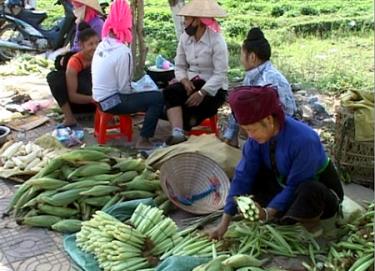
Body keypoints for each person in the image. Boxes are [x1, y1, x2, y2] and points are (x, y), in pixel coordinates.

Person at [209, 86, 343, 240]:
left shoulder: (304, 140)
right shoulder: (255, 141)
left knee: (309, 189)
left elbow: (294, 185)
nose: (249, 136)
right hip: (283, 185)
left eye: (252, 129)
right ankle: (282, 216)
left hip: (318, 193)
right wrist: (224, 223)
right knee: (250, 179)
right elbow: (243, 176)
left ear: (269, 120)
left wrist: (266, 213)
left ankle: (315, 224)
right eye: (245, 130)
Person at [91, 0, 164, 149]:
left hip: (98, 100)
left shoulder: (102, 44)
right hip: (111, 102)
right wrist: (141, 90)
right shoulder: (123, 51)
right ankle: (144, 140)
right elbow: (124, 88)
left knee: (146, 94)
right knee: (157, 97)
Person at [163, 0, 229, 145]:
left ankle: (183, 131)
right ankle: (178, 134)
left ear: (197, 21)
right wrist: (184, 80)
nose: (184, 22)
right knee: (170, 92)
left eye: (186, 19)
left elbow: (221, 73)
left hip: (213, 89)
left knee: (188, 110)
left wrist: (202, 93)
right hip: (192, 83)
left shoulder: (217, 41)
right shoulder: (185, 38)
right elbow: (179, 66)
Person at [223, 27, 297, 147]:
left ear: (252, 57)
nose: (240, 60)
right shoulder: (251, 76)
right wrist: (229, 135)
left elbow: (277, 119)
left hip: (279, 133)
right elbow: (238, 108)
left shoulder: (269, 80)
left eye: (242, 55)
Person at [47, 23, 99, 127]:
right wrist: (93, 99)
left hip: (99, 103)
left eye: (97, 43)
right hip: (81, 103)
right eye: (90, 44)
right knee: (54, 77)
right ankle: (69, 118)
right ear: (81, 45)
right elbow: (73, 96)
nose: (95, 47)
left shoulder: (101, 57)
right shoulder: (74, 62)